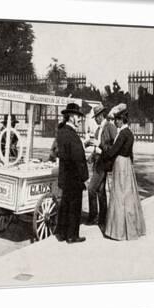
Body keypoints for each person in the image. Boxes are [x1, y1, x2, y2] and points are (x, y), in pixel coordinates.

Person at [101, 103, 146, 240]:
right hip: (127, 165)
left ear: (122, 120)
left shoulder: (122, 134)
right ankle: (131, 228)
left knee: (119, 195)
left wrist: (101, 149)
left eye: (117, 120)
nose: (115, 122)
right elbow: (130, 154)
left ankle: (119, 231)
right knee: (128, 195)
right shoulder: (129, 133)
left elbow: (112, 152)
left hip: (120, 164)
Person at [56, 103, 89, 244]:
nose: (80, 119)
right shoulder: (72, 135)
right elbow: (78, 158)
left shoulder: (61, 132)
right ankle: (72, 236)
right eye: (77, 116)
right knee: (74, 207)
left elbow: (61, 153)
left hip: (65, 175)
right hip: (74, 176)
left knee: (65, 204)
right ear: (70, 117)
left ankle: (62, 233)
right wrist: (84, 177)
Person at [85, 104, 117, 229]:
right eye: (95, 117)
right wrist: (92, 155)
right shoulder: (98, 130)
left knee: (91, 188)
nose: (96, 119)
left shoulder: (110, 127)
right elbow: (97, 147)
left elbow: (114, 147)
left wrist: (102, 148)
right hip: (98, 162)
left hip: (104, 163)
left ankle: (93, 216)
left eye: (97, 117)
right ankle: (103, 218)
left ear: (101, 115)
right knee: (100, 191)